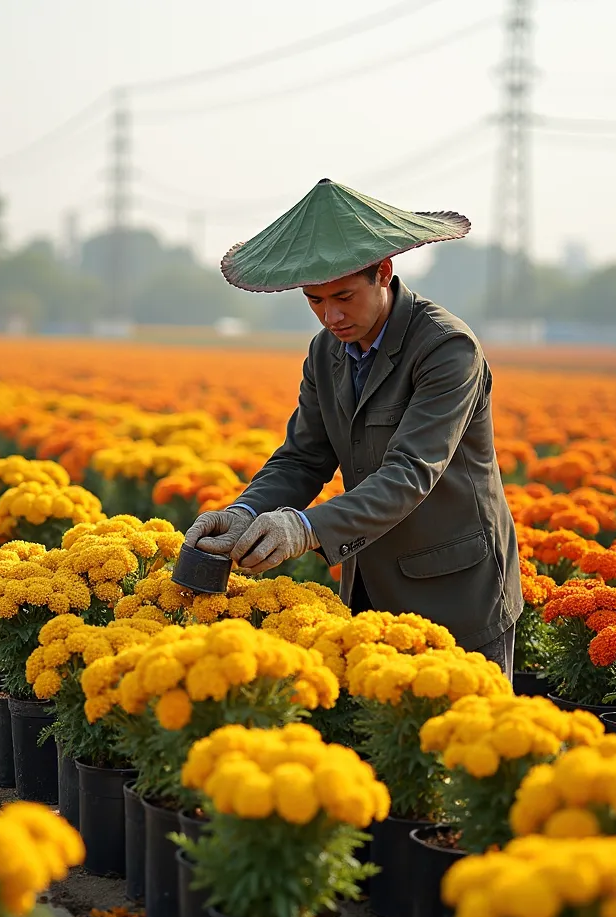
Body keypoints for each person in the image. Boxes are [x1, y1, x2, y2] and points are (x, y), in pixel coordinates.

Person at [183, 179, 522, 678]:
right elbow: (303, 457)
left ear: (383, 272)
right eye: (314, 301)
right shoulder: (326, 351)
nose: (331, 316)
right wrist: (245, 510)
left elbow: (409, 473)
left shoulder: (446, 349)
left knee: (465, 748)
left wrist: (303, 528)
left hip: (455, 592)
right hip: (369, 587)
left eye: (343, 296)